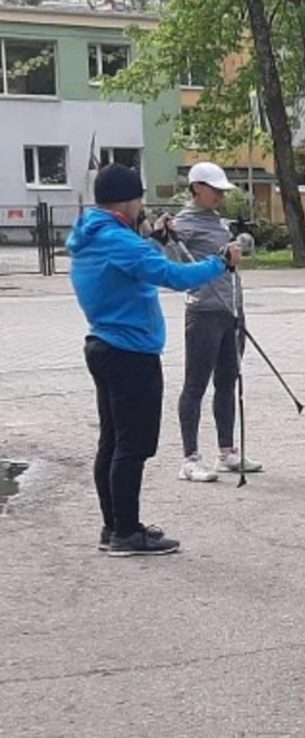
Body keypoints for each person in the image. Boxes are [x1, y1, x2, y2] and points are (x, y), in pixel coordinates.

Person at [68, 163, 239, 556]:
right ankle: (127, 533)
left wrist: (156, 237)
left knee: (112, 442)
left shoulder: (93, 233)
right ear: (129, 201)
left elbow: (136, 260)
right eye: (139, 199)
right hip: (130, 351)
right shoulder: (120, 241)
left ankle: (114, 526)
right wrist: (221, 262)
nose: (141, 206)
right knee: (133, 446)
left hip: (103, 343)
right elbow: (173, 276)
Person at [165, 161, 262, 482]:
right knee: (195, 385)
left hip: (231, 311)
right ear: (196, 188)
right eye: (214, 190)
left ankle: (227, 452)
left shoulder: (218, 222)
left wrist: (240, 243)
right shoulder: (183, 223)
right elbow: (175, 264)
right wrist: (167, 237)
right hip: (204, 313)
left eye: (222, 190)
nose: (220, 195)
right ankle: (190, 459)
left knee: (228, 381)